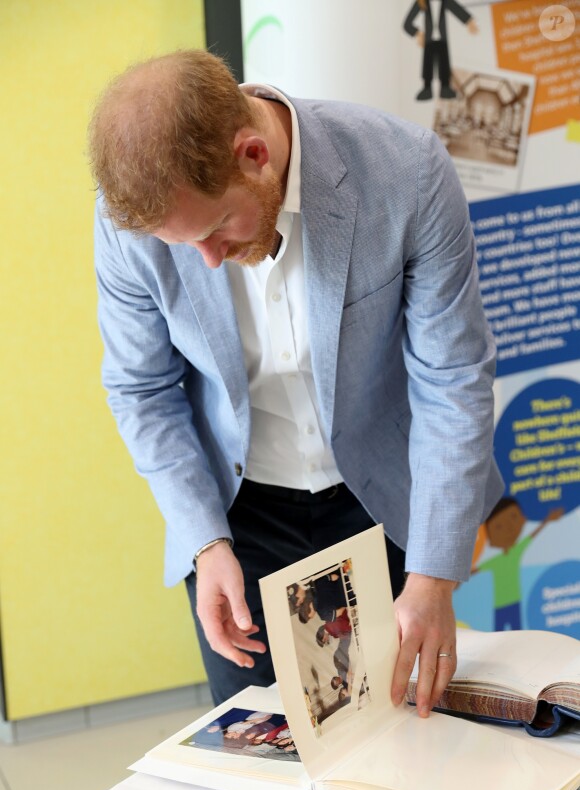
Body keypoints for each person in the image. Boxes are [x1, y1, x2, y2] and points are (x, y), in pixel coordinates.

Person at [87, 49, 503, 714]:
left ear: (255, 154)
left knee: (403, 738)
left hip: (385, 506)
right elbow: (142, 391)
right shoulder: (128, 227)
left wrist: (433, 575)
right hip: (239, 517)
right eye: (183, 245)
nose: (209, 260)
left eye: (218, 229)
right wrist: (204, 541)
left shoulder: (407, 171)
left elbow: (452, 378)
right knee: (265, 765)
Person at [475, 498, 564, 631]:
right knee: (498, 637)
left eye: (514, 517)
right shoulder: (495, 561)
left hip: (513, 602)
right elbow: (475, 570)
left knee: (518, 635)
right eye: (498, 526)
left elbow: (531, 536)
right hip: (500, 605)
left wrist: (547, 520)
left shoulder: (515, 552)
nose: (509, 528)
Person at [403, 0, 478, 101]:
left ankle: (445, 88)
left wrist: (469, 21)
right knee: (427, 64)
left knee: (444, 63)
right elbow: (407, 23)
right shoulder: (421, 2)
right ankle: (427, 88)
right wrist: (417, 33)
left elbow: (456, 9)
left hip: (442, 39)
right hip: (429, 40)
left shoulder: (445, 1)